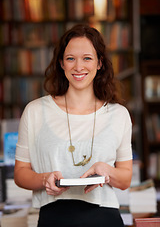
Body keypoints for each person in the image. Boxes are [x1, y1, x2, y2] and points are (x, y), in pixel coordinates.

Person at [14, 24, 133, 227]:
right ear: (61, 63)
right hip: (54, 218)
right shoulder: (35, 111)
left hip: (105, 219)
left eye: (87, 58)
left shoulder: (119, 114)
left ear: (99, 63)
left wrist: (107, 171)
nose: (79, 67)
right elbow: (20, 173)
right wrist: (45, 179)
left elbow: (125, 180)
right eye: (71, 59)